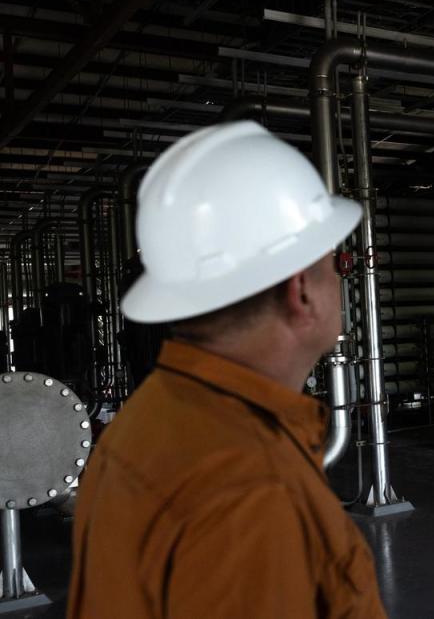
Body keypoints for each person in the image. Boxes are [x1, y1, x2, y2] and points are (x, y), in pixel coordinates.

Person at [67, 121, 386, 618]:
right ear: (300, 289)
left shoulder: (154, 419)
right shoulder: (253, 487)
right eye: (334, 265)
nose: (341, 284)